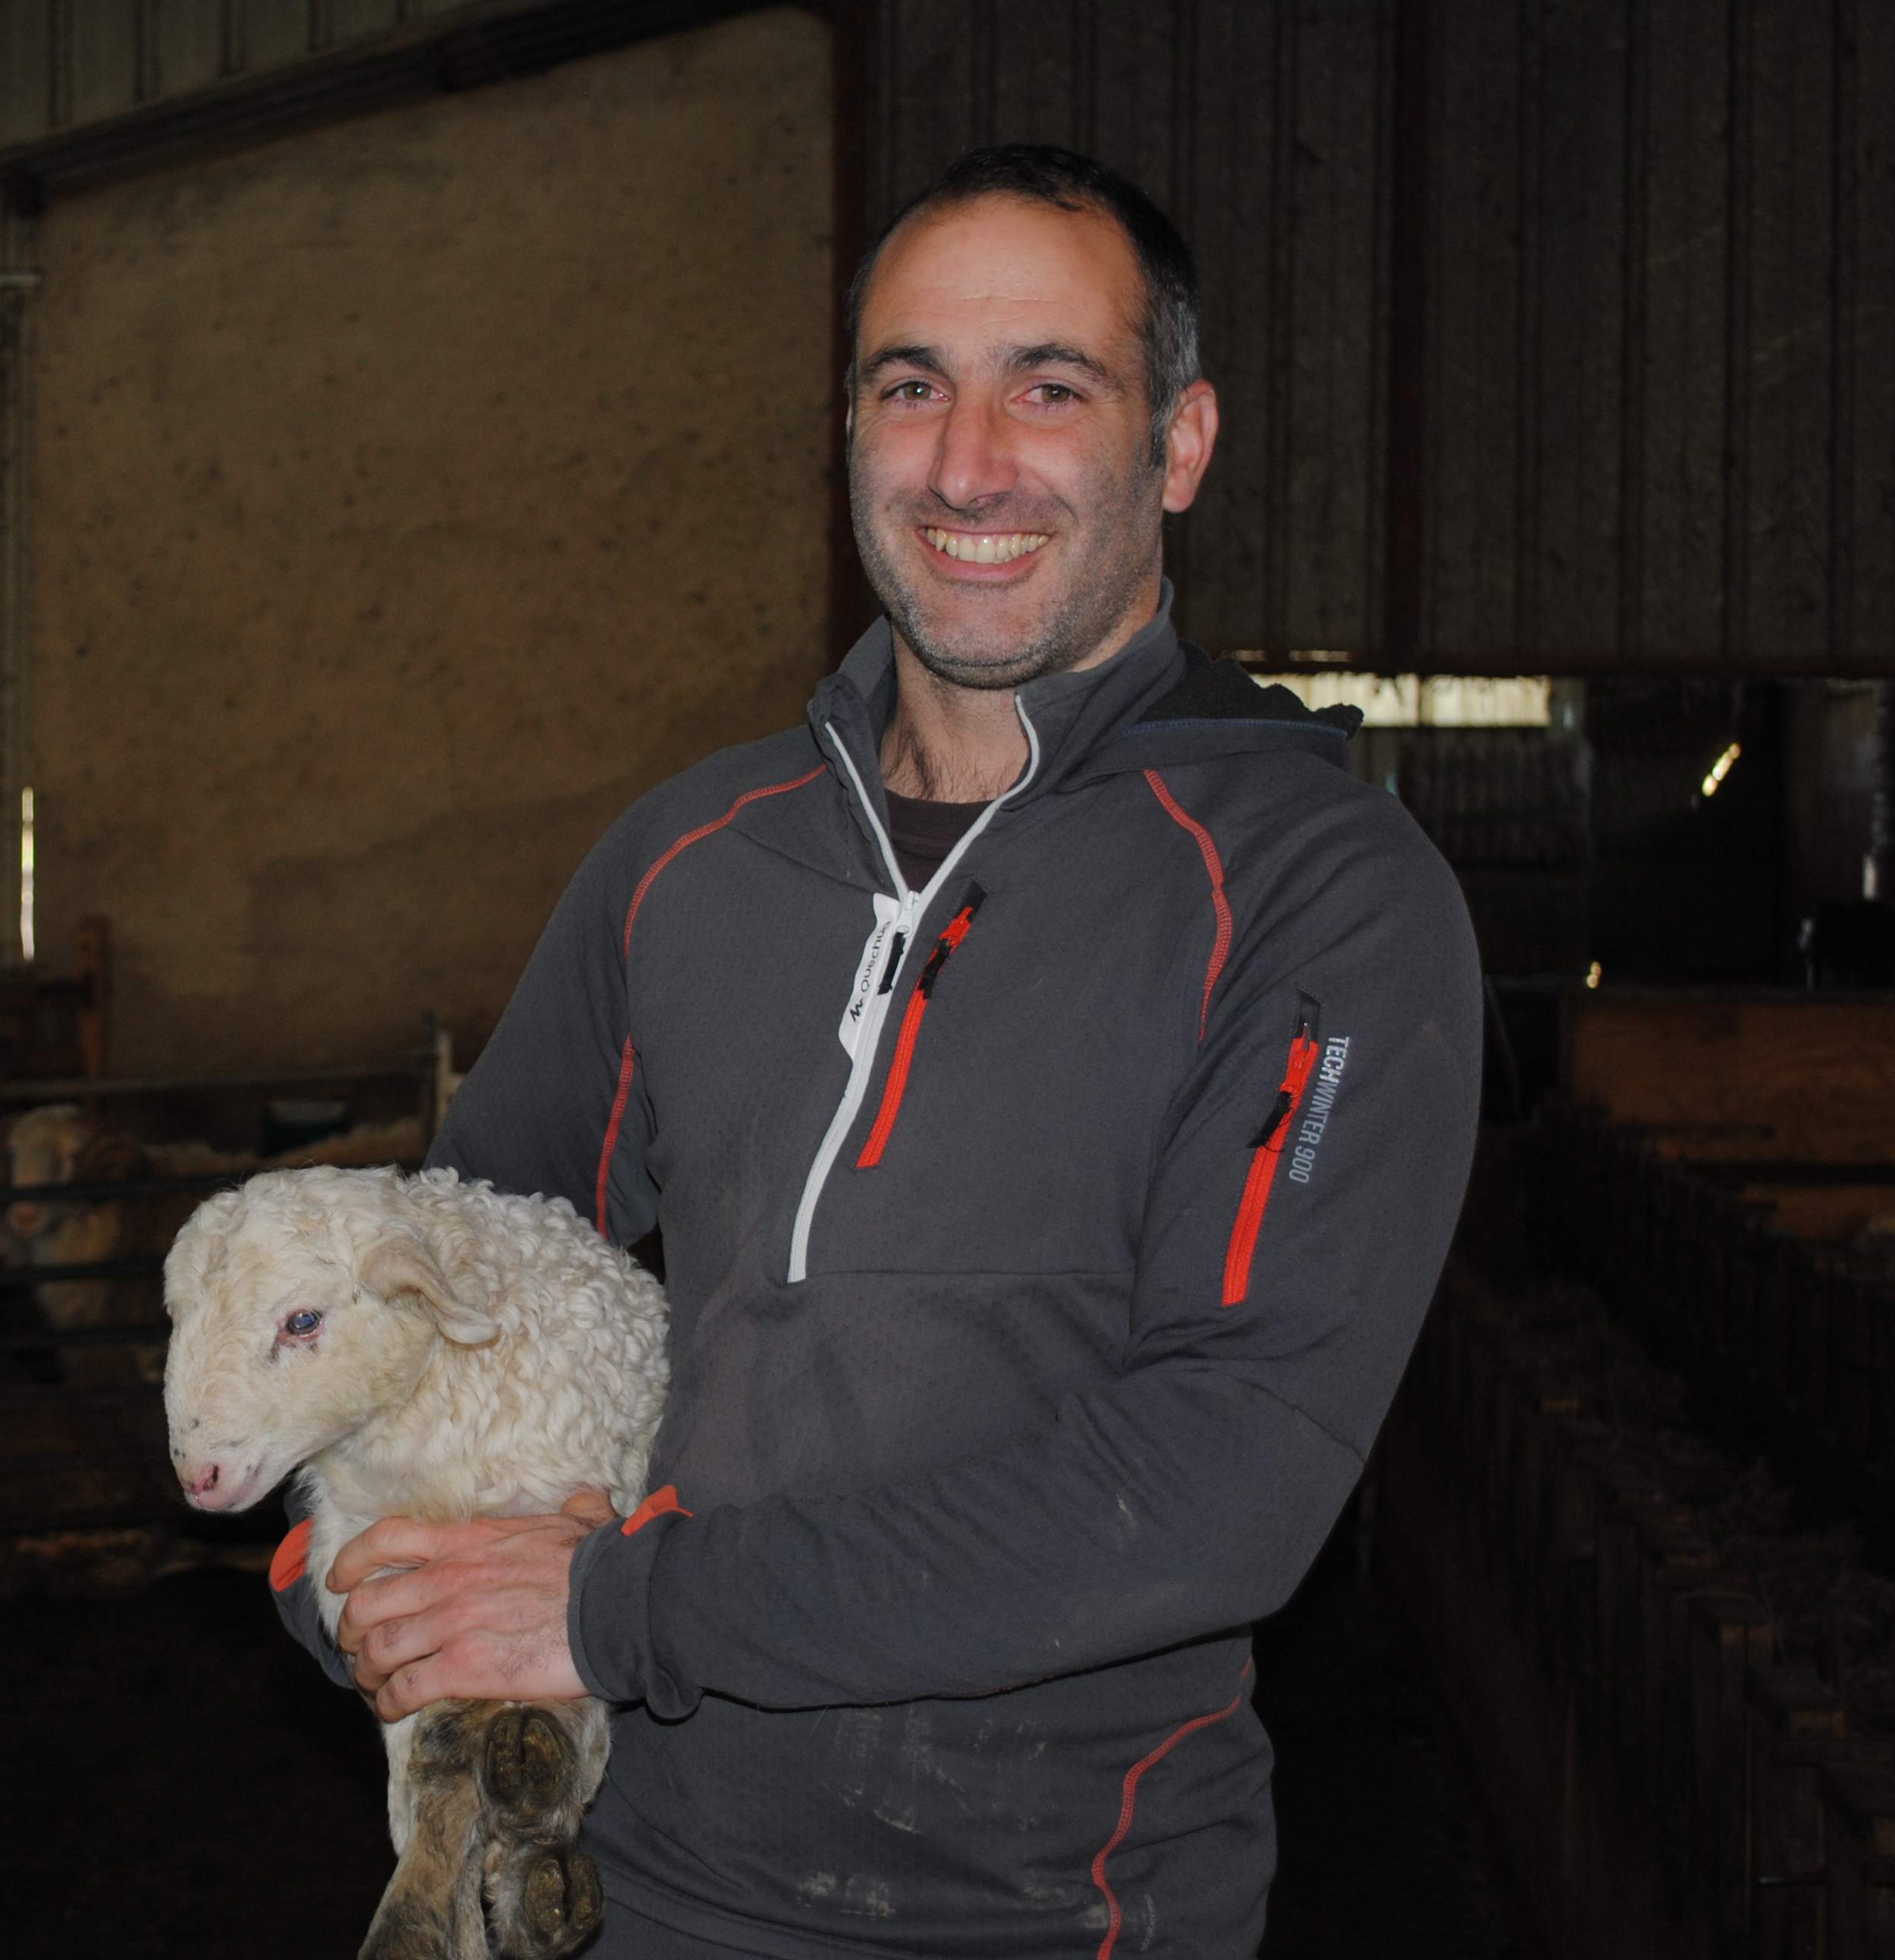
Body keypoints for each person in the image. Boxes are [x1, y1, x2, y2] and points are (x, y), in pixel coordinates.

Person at [271, 143, 1482, 1958]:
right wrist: (354, 1578)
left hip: (1053, 1915)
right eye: (911, 387)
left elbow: (1222, 1482)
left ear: (1178, 444)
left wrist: (611, 1614)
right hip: (621, 1895)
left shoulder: (1317, 895)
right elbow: (441, 1280)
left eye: (1048, 389)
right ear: (848, 433)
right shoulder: (692, 857)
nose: (966, 464)